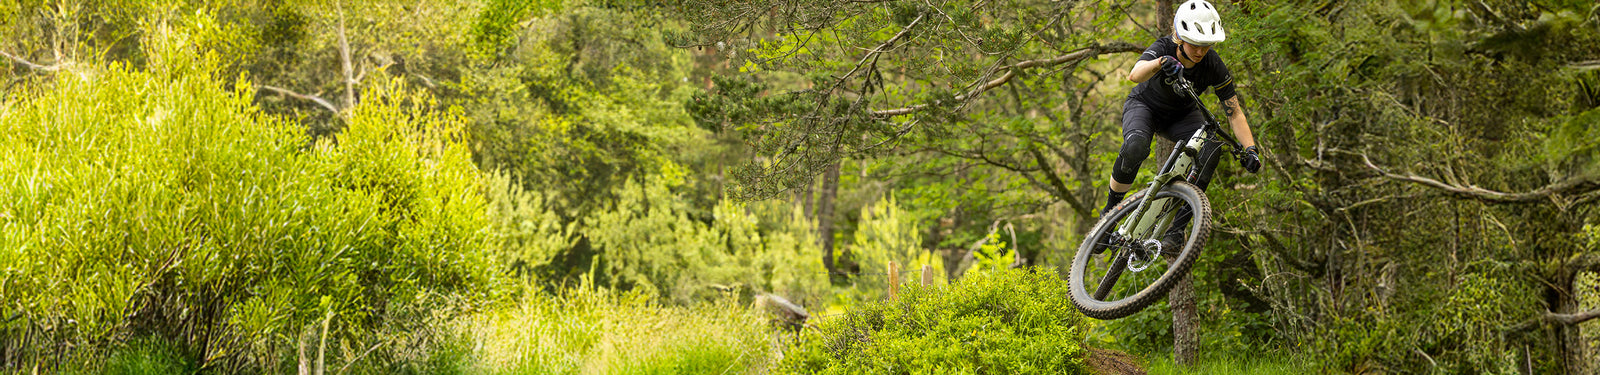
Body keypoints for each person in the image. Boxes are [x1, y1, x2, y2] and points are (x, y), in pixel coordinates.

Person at [1100, 0, 1261, 246]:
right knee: (1136, 147)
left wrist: (1250, 149)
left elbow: (1234, 112)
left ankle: (1176, 232)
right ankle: (1109, 216)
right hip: (1144, 106)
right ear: (1180, 37)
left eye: (1206, 46)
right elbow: (1135, 74)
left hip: (1181, 116)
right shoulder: (1164, 46)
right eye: (1196, 44)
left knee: (1211, 150)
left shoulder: (1212, 64)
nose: (1200, 51)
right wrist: (1159, 63)